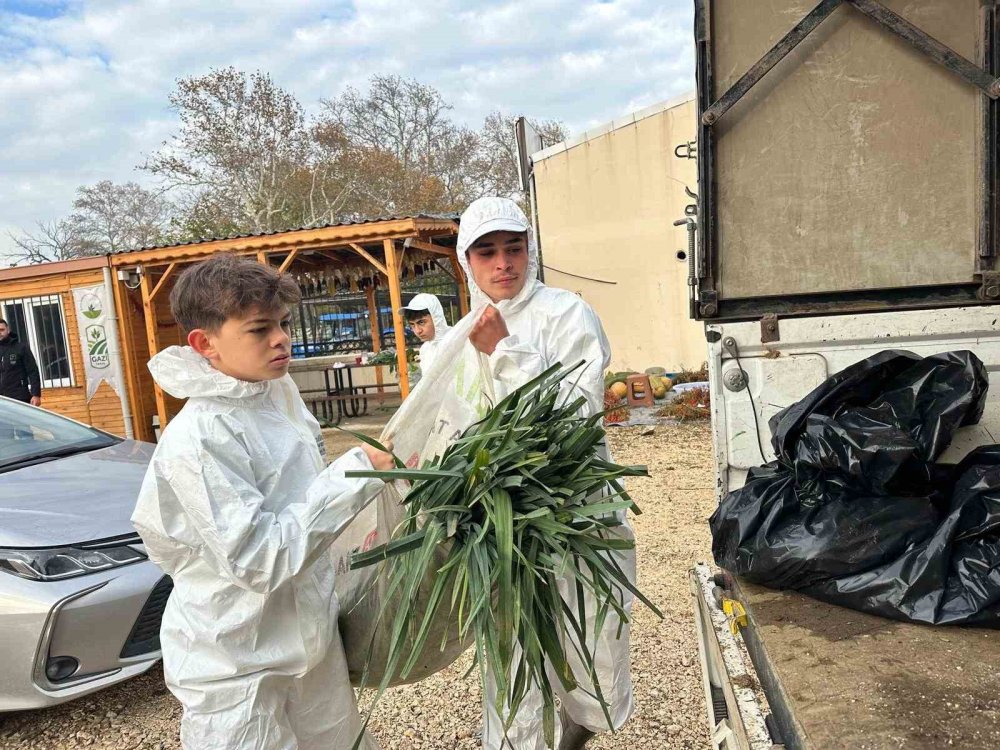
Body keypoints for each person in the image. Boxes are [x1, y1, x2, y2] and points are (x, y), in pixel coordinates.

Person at [130, 254, 393, 750]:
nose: (280, 339)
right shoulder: (202, 437)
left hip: (308, 643)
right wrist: (354, 476)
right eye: (258, 329)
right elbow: (259, 559)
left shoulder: (276, 392)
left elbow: (300, 500)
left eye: (283, 323)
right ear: (204, 344)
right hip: (236, 663)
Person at [453, 197, 636, 750]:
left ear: (530, 250)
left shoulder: (566, 314)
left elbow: (574, 412)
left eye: (514, 248)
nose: (503, 263)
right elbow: (451, 418)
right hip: (495, 522)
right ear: (467, 261)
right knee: (509, 654)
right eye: (487, 252)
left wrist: (505, 351)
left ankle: (583, 719)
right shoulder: (459, 333)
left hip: (573, 510)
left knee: (592, 636)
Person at [401, 293, 451, 373]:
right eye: (412, 325)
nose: (417, 331)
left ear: (436, 317)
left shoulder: (456, 340)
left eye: (421, 322)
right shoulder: (425, 350)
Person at [0, 320, 41, 406]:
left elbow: (33, 371)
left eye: (2, 330)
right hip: (2, 399)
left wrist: (36, 394)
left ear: (8, 330)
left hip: (19, 397)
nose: (0, 333)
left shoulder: (21, 348)